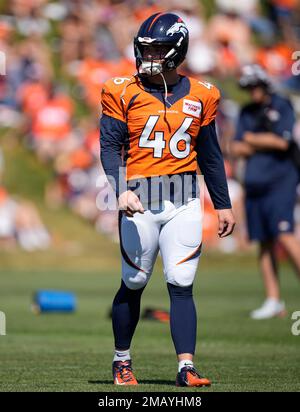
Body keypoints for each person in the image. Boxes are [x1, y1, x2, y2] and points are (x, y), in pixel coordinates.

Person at [100, 12, 235, 387]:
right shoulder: (120, 90)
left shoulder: (204, 94)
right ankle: (122, 361)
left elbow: (210, 153)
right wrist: (120, 187)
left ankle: (186, 367)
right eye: (145, 49)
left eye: (158, 49)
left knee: (181, 281)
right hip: (139, 199)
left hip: (185, 199)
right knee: (134, 279)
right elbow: (110, 146)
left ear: (178, 50)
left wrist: (222, 203)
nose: (149, 57)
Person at [232, 64, 300, 320]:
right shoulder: (246, 111)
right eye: (248, 87)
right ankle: (273, 299)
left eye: (255, 86)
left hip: (280, 181)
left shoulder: (281, 105)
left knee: (285, 234)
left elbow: (282, 141)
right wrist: (259, 142)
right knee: (264, 241)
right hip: (255, 183)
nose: (252, 91)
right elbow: (236, 147)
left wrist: (251, 140)